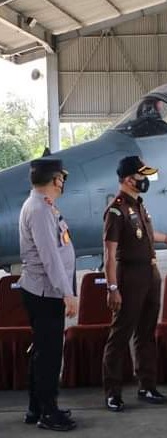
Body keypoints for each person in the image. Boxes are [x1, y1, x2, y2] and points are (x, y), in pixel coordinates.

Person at [102, 156, 167, 412]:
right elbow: (109, 254)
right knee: (120, 335)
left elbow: (144, 234)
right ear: (128, 179)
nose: (145, 181)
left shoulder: (138, 206)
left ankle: (147, 385)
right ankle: (112, 392)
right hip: (130, 276)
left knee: (146, 334)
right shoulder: (116, 209)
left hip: (150, 274)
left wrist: (165, 237)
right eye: (141, 176)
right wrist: (112, 287)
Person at [18, 158, 78, 431]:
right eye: (61, 178)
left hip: (43, 291)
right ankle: (47, 413)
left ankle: (37, 407)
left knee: (43, 352)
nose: (63, 183)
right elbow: (50, 257)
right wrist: (67, 293)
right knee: (50, 355)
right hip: (46, 293)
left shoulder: (44, 206)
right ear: (56, 180)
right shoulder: (40, 210)